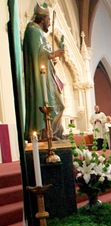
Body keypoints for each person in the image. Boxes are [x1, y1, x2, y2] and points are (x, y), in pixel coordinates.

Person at [23, 2, 65, 141]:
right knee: (54, 105)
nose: (49, 24)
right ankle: (46, 134)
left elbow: (42, 54)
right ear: (42, 18)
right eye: (48, 20)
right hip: (39, 81)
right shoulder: (32, 30)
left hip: (46, 76)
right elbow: (38, 53)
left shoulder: (39, 32)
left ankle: (53, 133)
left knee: (59, 104)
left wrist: (50, 60)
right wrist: (52, 54)